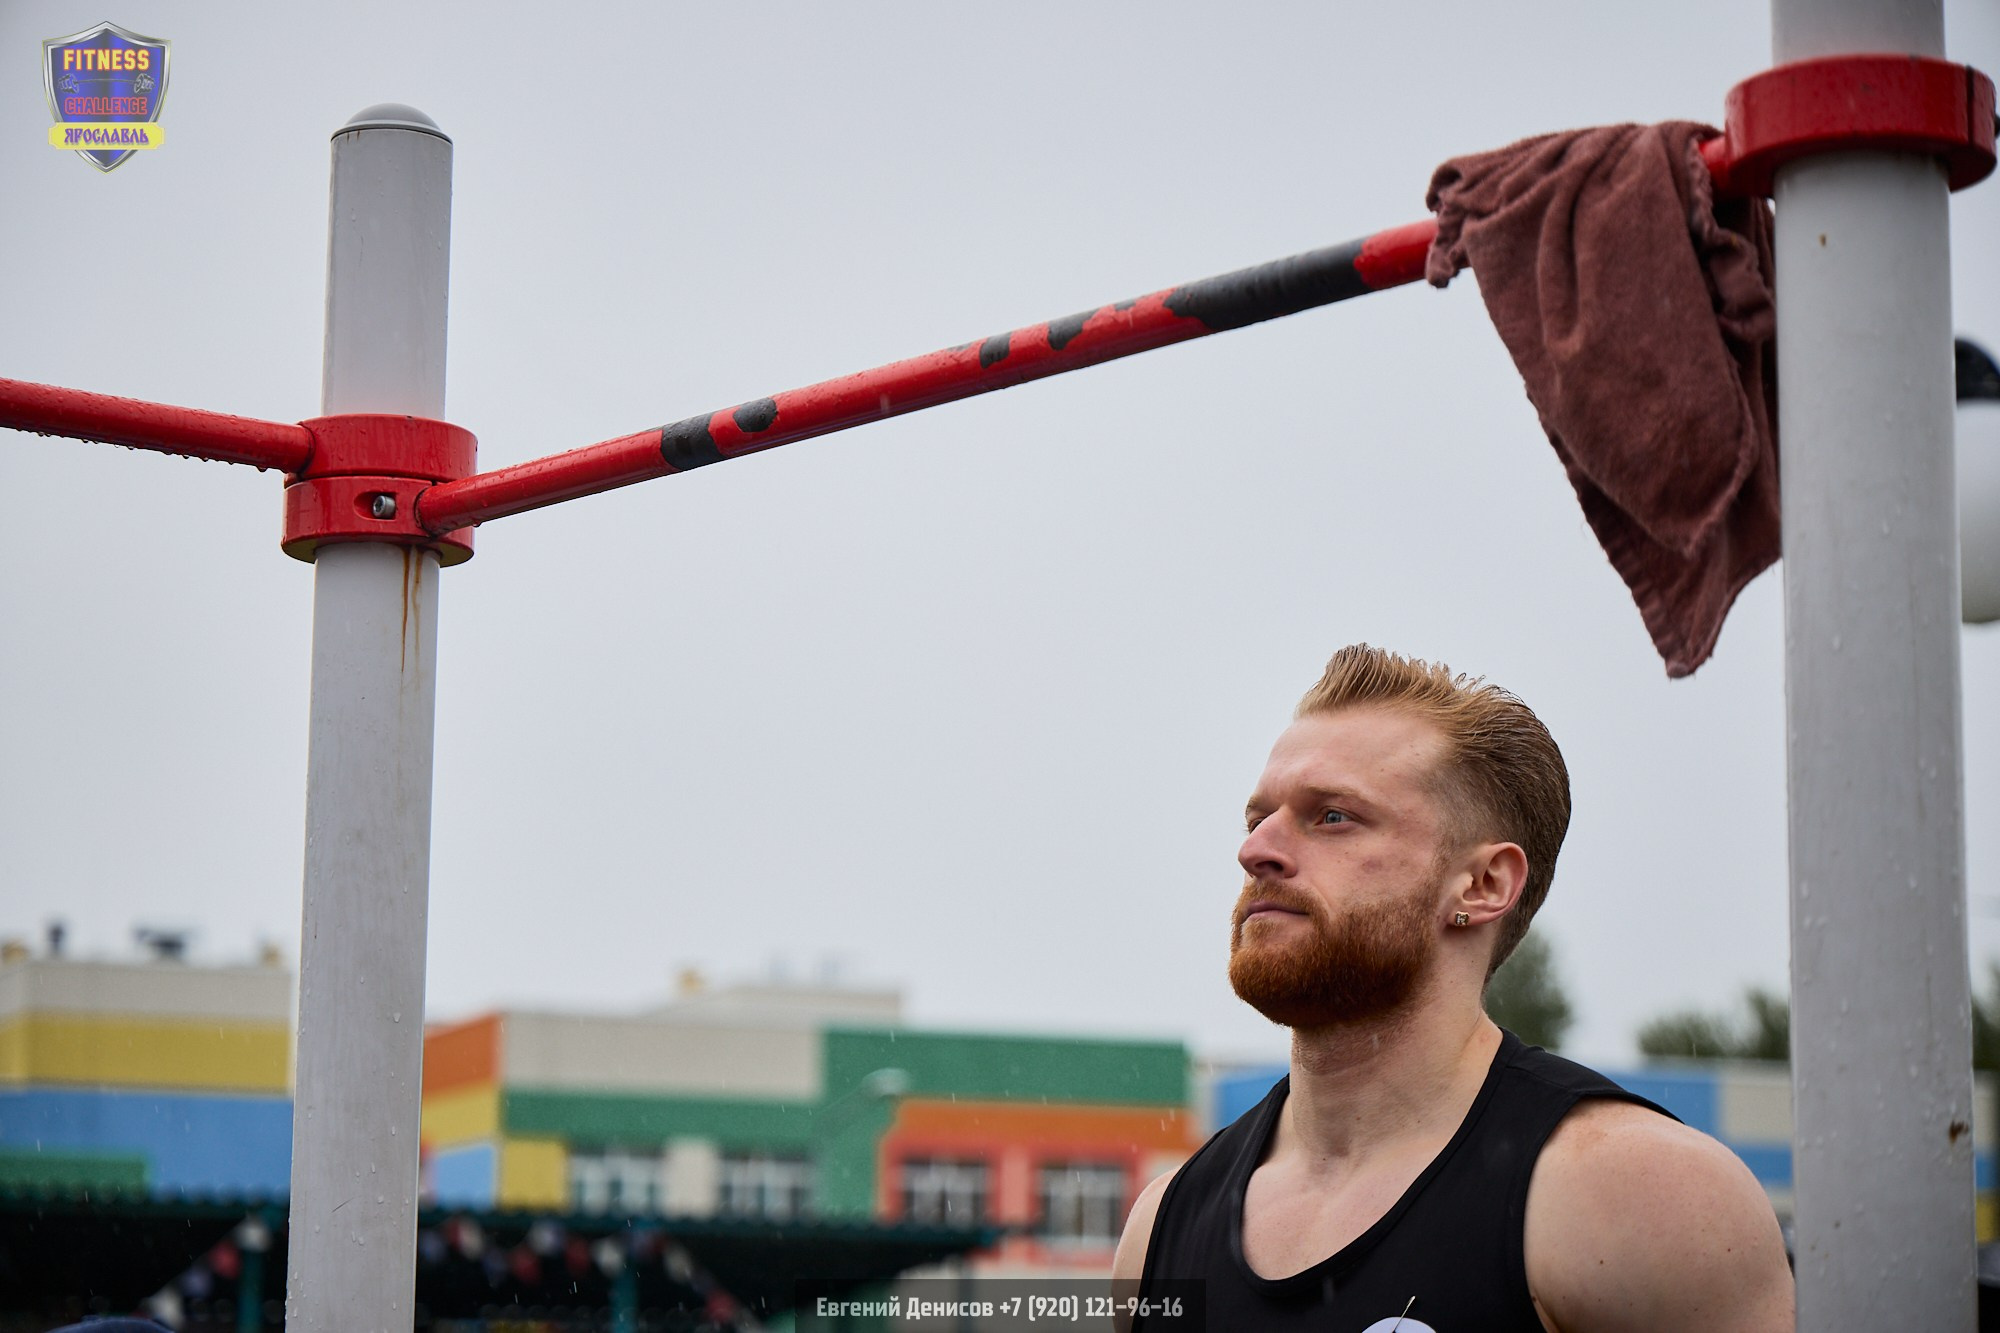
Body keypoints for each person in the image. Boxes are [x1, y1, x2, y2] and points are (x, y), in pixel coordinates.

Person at [1112, 645, 1794, 1331]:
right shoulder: (1158, 1233)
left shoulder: (1637, 1198)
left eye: (1332, 816)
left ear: (1482, 884)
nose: (1256, 848)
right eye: (1258, 817)